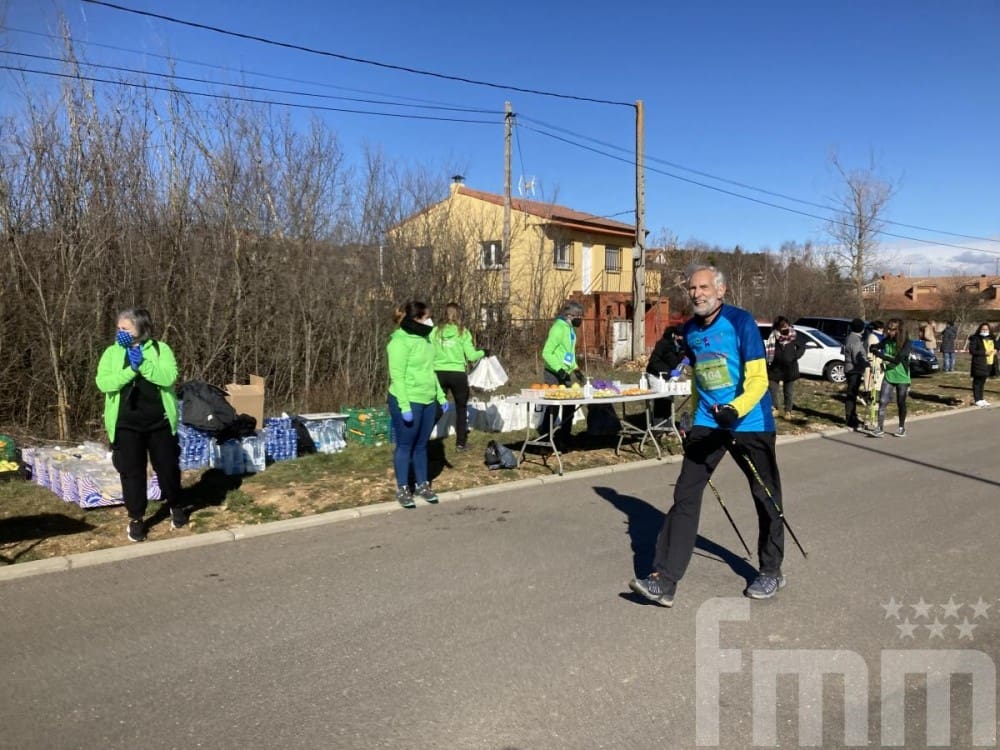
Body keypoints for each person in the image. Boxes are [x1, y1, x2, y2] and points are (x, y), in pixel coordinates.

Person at [629, 265, 785, 606]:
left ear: (720, 290)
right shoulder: (690, 330)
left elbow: (759, 379)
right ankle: (664, 580)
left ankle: (771, 570)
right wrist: (691, 419)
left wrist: (736, 408)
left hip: (750, 421)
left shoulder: (740, 322)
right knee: (685, 494)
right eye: (692, 289)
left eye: (703, 287)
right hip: (708, 422)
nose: (697, 294)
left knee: (765, 496)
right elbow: (702, 377)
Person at [95, 307, 187, 542]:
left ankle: (175, 504)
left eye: (125, 328)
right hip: (126, 424)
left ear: (140, 329)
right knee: (132, 472)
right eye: (118, 328)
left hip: (160, 422)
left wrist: (144, 365)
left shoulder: (160, 349)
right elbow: (104, 383)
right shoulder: (112, 354)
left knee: (167, 467)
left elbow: (168, 378)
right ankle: (136, 518)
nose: (120, 332)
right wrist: (130, 371)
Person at [387, 301, 449, 508]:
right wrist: (404, 407)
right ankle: (404, 488)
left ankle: (423, 485)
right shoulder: (399, 342)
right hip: (407, 399)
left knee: (422, 445)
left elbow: (430, 371)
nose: (430, 321)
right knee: (406, 445)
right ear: (415, 319)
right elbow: (398, 377)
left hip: (428, 399)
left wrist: (440, 396)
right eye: (426, 317)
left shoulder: (426, 340)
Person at [432, 303, 487, 452]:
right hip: (457, 373)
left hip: (438, 373)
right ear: (459, 315)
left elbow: (428, 351)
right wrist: (483, 352)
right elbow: (471, 356)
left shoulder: (435, 332)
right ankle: (460, 443)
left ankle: (423, 436)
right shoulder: (463, 332)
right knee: (461, 408)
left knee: (436, 406)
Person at [540, 300, 586, 451]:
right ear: (569, 315)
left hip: (565, 372)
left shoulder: (570, 329)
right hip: (553, 373)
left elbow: (569, 354)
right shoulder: (558, 328)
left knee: (569, 405)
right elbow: (546, 353)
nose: (580, 318)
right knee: (553, 407)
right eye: (578, 316)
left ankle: (565, 436)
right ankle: (546, 438)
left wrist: (576, 369)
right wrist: (558, 369)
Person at [869, 318, 912, 437]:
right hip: (889, 375)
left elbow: (897, 360)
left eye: (892, 330)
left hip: (902, 377)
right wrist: (873, 347)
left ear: (899, 330)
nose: (889, 332)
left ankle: (901, 427)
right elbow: (876, 346)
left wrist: (880, 355)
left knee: (900, 402)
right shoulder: (887, 339)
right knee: (882, 401)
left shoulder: (907, 343)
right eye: (888, 329)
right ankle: (879, 427)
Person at [764, 316, 805, 419]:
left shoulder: (794, 335)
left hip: (790, 368)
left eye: (786, 325)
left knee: (788, 392)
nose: (784, 328)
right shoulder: (773, 336)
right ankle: (775, 408)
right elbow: (768, 349)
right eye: (782, 327)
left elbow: (802, 347)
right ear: (777, 327)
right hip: (774, 368)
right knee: (772, 390)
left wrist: (795, 356)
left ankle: (788, 411)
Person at [646, 325, 687, 419]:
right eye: (680, 336)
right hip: (656, 374)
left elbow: (678, 359)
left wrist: (684, 361)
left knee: (668, 398)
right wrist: (669, 372)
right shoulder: (663, 344)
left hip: (669, 375)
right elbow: (654, 361)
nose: (682, 339)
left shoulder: (681, 346)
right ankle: (658, 426)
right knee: (661, 398)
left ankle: (667, 424)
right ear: (674, 335)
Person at [842, 318, 868, 431]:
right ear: (861, 329)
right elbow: (857, 357)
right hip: (854, 370)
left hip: (848, 368)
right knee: (852, 394)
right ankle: (850, 418)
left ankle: (852, 415)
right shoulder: (856, 340)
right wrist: (867, 364)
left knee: (852, 393)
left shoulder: (849, 337)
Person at [862, 320, 885, 430]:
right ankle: (869, 420)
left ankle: (872, 418)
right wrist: (873, 367)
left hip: (880, 367)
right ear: (880, 328)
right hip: (874, 368)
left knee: (877, 394)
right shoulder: (873, 337)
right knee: (872, 394)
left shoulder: (881, 337)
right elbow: (870, 354)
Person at [967, 322, 995, 407]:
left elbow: (996, 346)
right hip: (979, 363)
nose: (985, 330)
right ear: (979, 329)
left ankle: (981, 398)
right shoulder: (975, 338)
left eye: (986, 329)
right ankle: (977, 399)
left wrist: (995, 350)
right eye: (983, 329)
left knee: (983, 382)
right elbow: (972, 351)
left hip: (988, 363)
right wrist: (984, 352)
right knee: (977, 382)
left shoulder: (991, 338)